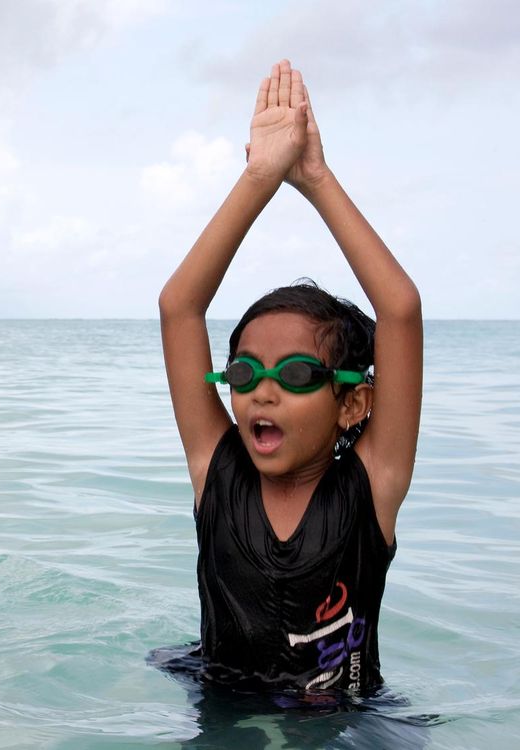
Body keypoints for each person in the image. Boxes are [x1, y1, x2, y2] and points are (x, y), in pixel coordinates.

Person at [156, 60, 422, 694]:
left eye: (297, 374)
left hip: (343, 723)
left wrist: (313, 179)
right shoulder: (214, 471)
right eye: (244, 372)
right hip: (220, 705)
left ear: (354, 401)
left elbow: (401, 311)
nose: (262, 389)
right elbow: (179, 308)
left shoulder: (372, 486)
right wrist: (257, 177)